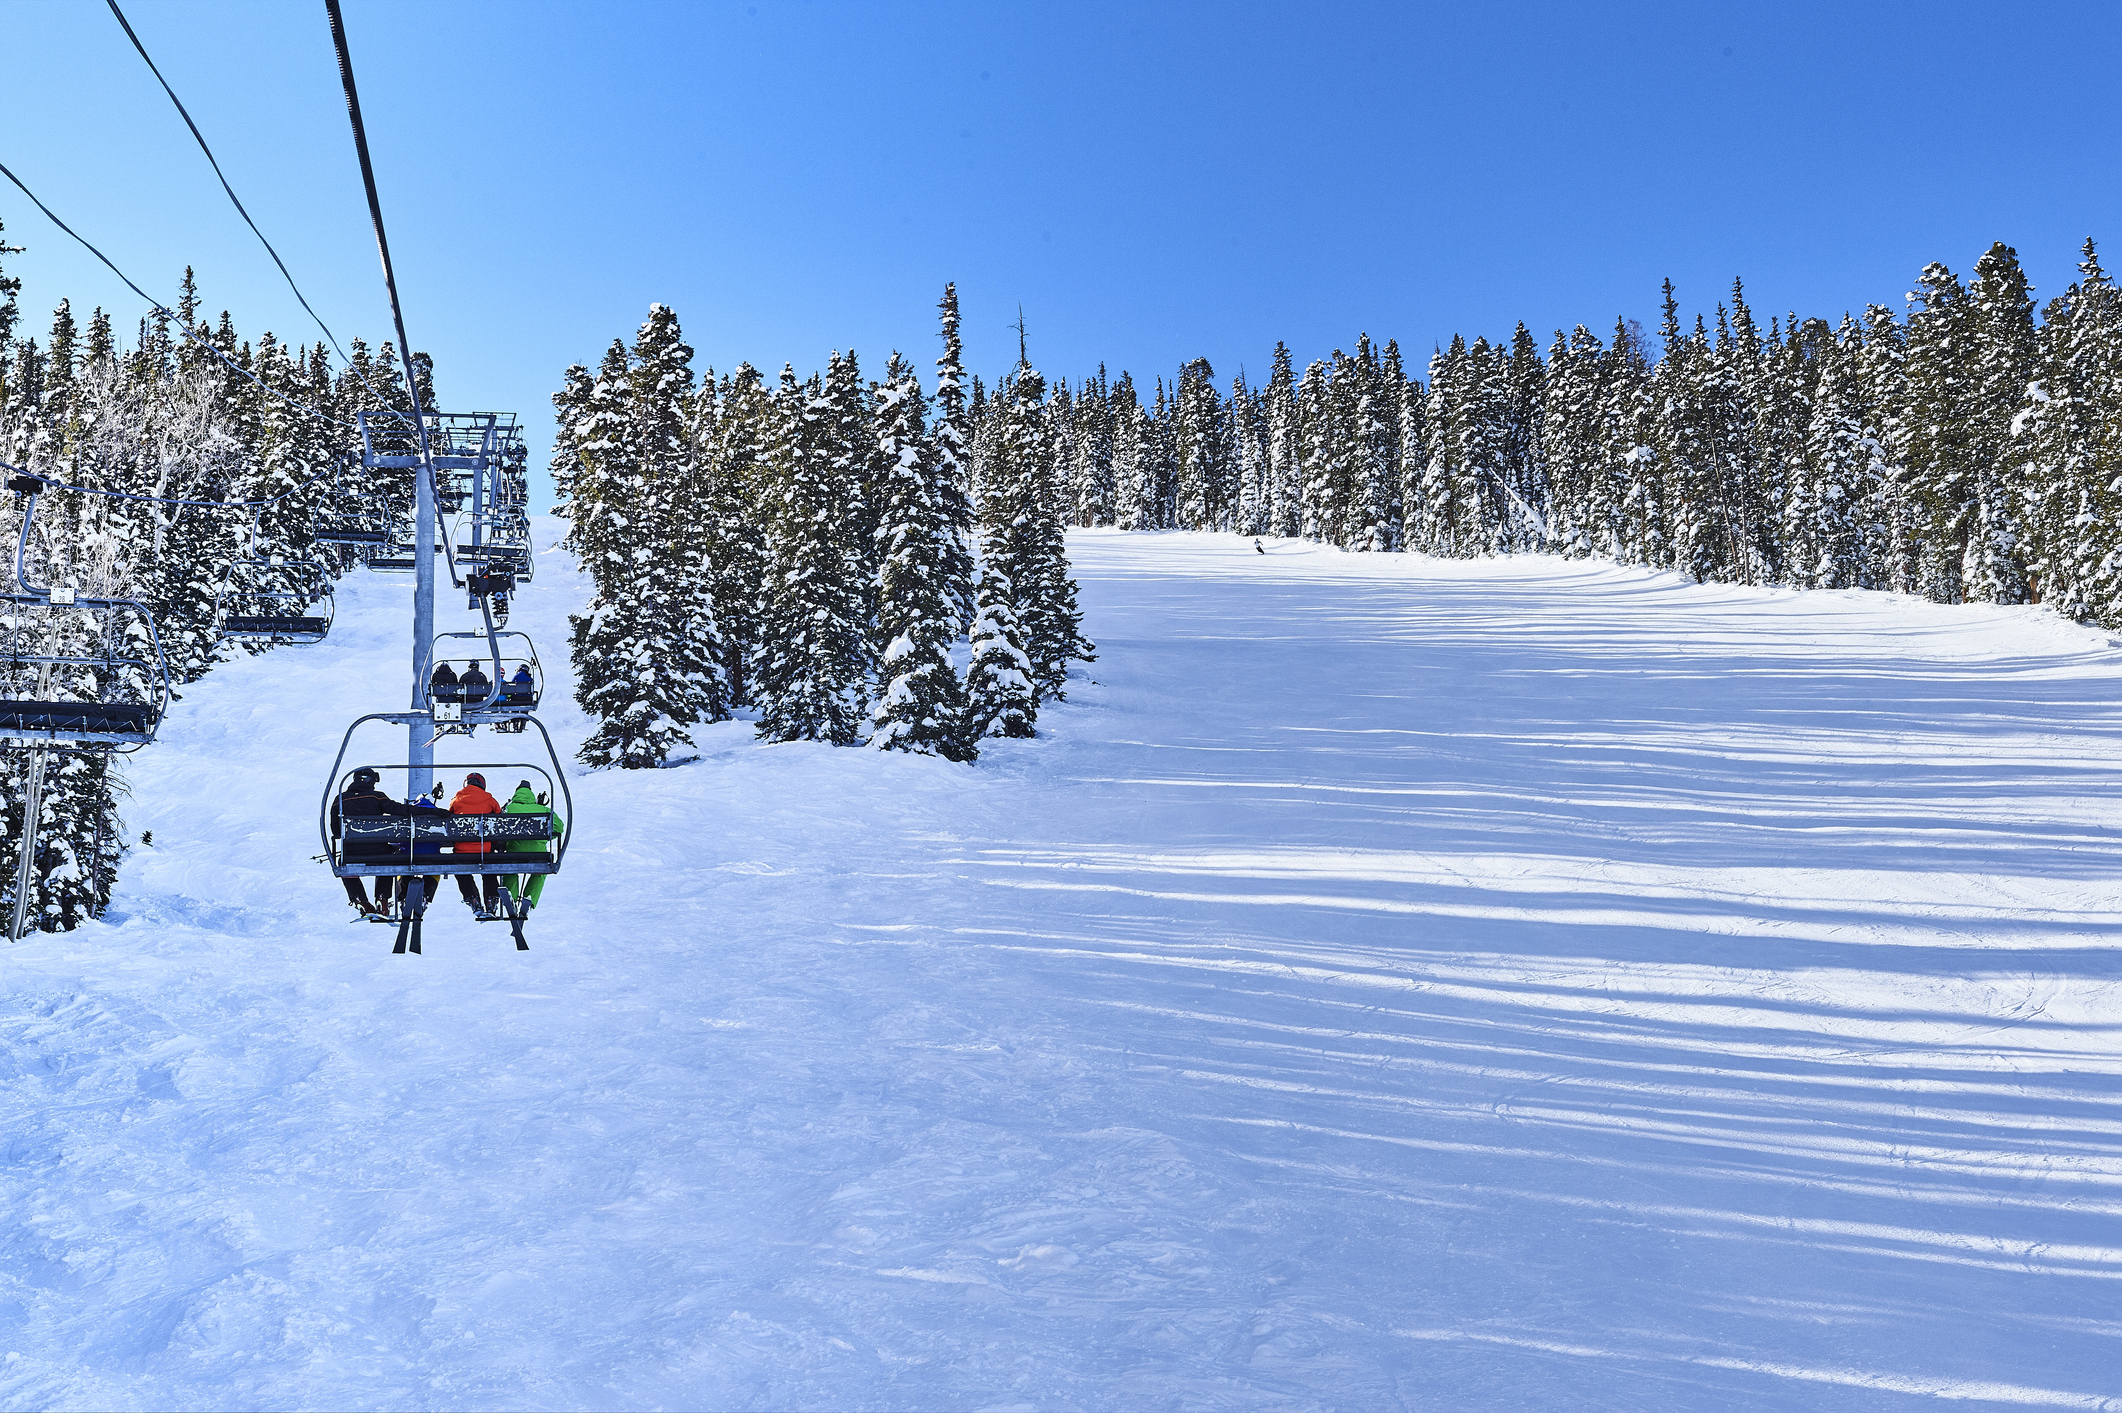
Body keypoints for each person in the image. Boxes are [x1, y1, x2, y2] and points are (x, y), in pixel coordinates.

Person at [330, 767, 408, 916]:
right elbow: (399, 810)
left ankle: (360, 899)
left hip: (351, 854)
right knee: (389, 857)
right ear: (372, 780)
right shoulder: (377, 797)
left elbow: (336, 831)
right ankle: (382, 897)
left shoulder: (339, 799)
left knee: (344, 863)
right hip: (379, 852)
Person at [501, 779, 564, 911]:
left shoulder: (509, 808)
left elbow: (497, 830)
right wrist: (544, 838)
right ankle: (529, 899)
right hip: (538, 854)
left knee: (509, 869)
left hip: (514, 853)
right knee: (540, 872)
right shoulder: (543, 809)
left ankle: (511, 896)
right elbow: (559, 828)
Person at [450, 770, 503, 914]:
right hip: (484, 850)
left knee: (460, 869)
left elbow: (448, 823)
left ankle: (471, 896)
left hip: (462, 852)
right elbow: (500, 823)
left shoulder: (456, 799)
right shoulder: (490, 800)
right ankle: (491, 898)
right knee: (488, 868)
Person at [397, 786, 448, 911]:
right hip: (431, 857)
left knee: (401, 868)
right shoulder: (440, 815)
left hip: (407, 856)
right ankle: (426, 895)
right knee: (434, 869)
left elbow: (396, 838)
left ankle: (403, 896)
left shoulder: (406, 813)